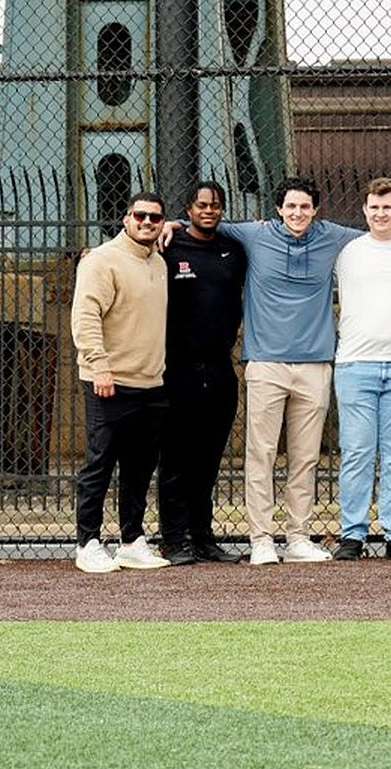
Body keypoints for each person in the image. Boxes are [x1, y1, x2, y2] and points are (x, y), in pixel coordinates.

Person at [177, 175, 391, 565]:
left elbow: (382, 229)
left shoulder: (335, 238)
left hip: (315, 364)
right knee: (260, 455)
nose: (298, 213)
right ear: (278, 209)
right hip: (265, 362)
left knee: (305, 457)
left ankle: (298, 535)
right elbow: (204, 222)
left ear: (315, 211)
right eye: (290, 207)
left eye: (305, 207)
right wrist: (168, 224)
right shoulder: (255, 234)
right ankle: (261, 538)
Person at [70, 192, 172, 573]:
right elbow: (85, 316)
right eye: (141, 215)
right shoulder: (101, 260)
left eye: (156, 218)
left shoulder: (158, 263)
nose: (148, 222)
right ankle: (88, 542)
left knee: (139, 466)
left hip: (152, 382)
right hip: (109, 381)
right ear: (127, 218)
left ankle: (131, 540)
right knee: (100, 462)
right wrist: (99, 366)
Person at [331, 178, 391, 561]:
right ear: (364, 210)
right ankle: (352, 535)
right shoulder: (349, 251)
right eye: (374, 207)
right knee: (356, 452)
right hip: (356, 365)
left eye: (387, 207)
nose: (380, 213)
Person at [155, 181, 247, 565]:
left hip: (220, 369)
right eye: (201, 205)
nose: (208, 211)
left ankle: (203, 537)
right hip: (177, 370)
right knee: (175, 461)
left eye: (215, 205)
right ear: (189, 209)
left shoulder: (234, 251)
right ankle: (173, 540)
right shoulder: (168, 247)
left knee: (208, 461)